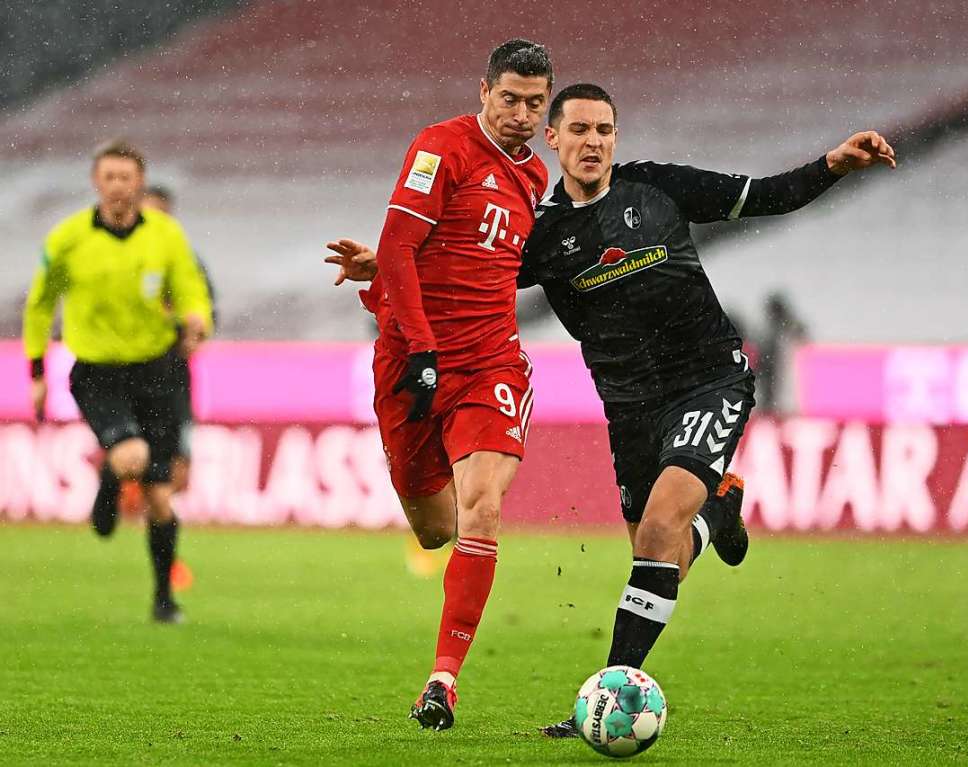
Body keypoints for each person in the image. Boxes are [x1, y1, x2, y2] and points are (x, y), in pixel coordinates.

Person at [327, 83, 896, 735]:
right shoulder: (539, 239)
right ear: (553, 140)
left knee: (654, 536)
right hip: (629, 405)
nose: (591, 141)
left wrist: (833, 165)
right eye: (578, 131)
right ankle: (718, 511)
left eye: (603, 130)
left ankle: (605, 695)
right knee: (661, 557)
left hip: (707, 379)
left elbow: (764, 196)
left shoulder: (657, 188)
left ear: (615, 138)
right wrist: (382, 261)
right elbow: (463, 268)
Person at [326, 39, 553, 731]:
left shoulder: (536, 177)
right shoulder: (441, 148)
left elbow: (492, 261)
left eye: (533, 103)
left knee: (482, 508)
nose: (518, 113)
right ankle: (460, 525)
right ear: (483, 91)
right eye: (508, 98)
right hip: (410, 358)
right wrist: (418, 344)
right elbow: (399, 246)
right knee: (435, 529)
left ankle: (442, 680)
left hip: (489, 363)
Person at [23, 139, 213, 623]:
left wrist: (197, 319)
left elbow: (190, 285)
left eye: (126, 177)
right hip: (98, 373)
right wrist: (38, 369)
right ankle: (113, 472)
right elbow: (41, 303)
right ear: (96, 182)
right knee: (133, 455)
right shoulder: (68, 239)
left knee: (160, 495)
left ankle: (164, 600)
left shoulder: (165, 235)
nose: (118, 186)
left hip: (156, 370)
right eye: (109, 177)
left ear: (139, 183)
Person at [141, 184, 218, 493]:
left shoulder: (186, 259)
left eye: (163, 214)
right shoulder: (117, 254)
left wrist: (196, 334)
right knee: (128, 450)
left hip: (171, 369)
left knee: (176, 448)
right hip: (125, 367)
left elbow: (206, 307)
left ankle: (165, 511)